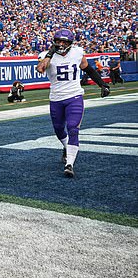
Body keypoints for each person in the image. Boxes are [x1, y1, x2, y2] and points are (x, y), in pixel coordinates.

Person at [36, 29, 110, 178]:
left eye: (64, 42)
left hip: (74, 96)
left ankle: (69, 164)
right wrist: (50, 53)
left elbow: (88, 69)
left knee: (73, 128)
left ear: (70, 43)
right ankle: (66, 147)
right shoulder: (46, 56)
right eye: (59, 41)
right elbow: (40, 69)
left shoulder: (77, 53)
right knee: (58, 129)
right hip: (56, 98)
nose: (61, 44)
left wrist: (102, 84)